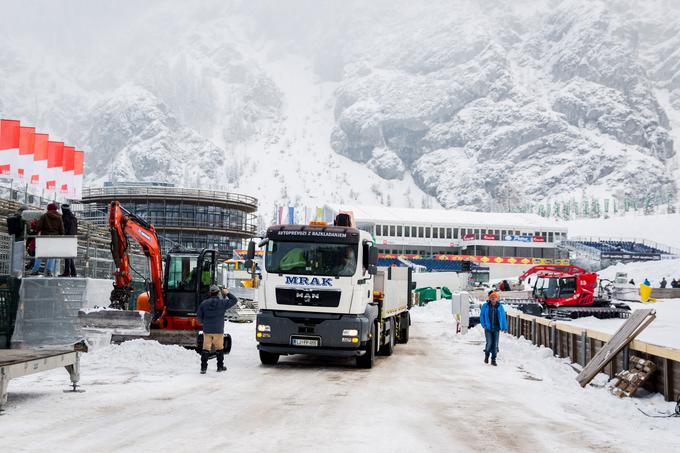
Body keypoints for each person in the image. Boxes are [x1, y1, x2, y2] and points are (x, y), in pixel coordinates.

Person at [196, 285, 238, 374]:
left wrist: (204, 323)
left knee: (205, 348)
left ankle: (203, 368)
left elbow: (199, 318)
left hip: (207, 330)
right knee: (219, 348)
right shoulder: (222, 303)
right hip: (218, 330)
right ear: (218, 292)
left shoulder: (204, 303)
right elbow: (234, 300)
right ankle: (220, 366)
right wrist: (227, 293)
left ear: (210, 293)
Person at [30, 203, 65, 277]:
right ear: (56, 209)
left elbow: (38, 227)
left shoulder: (44, 216)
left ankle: (35, 270)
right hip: (54, 239)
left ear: (48, 209)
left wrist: (36, 229)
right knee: (51, 255)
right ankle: (49, 271)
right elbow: (62, 230)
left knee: (40, 254)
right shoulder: (59, 217)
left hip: (44, 238)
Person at [479, 291, 507, 366]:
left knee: (495, 345)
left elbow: (503, 317)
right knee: (489, 343)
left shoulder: (500, 306)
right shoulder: (485, 305)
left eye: (494, 298)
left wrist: (504, 327)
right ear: (489, 298)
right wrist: (483, 324)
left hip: (496, 328)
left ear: (497, 299)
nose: (493, 299)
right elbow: (481, 316)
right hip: (488, 328)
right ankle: (487, 355)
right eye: (491, 298)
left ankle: (493, 359)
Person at [59, 204, 78, 277]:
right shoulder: (73, 217)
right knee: (69, 254)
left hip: (67, 237)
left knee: (67, 255)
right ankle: (73, 272)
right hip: (73, 237)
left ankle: (67, 272)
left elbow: (65, 229)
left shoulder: (65, 217)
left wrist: (62, 235)